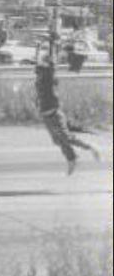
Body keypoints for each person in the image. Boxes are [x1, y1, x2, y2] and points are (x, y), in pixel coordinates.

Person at [34, 36, 100, 176]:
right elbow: (37, 62)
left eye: (43, 64)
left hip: (54, 114)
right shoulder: (40, 76)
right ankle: (72, 158)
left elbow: (52, 61)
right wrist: (38, 47)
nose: (40, 67)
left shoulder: (49, 75)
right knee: (58, 140)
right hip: (46, 115)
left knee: (66, 137)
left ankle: (91, 148)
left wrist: (53, 45)